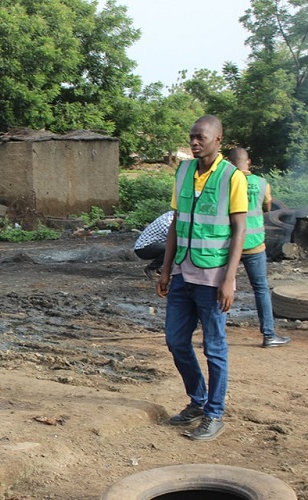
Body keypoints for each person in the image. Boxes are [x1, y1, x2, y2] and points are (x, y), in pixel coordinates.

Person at [156, 115, 248, 442]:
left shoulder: (231, 177)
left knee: (214, 348)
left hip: (213, 277)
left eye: (201, 138)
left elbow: (239, 231)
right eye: (192, 137)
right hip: (182, 272)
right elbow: (175, 223)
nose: (195, 142)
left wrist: (229, 279)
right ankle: (197, 400)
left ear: (218, 140)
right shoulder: (182, 172)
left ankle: (214, 413)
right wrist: (166, 269)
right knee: (176, 341)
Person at [227, 148, 290, 348]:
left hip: (228, 245)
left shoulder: (223, 182)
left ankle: (213, 334)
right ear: (249, 162)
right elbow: (267, 208)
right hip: (255, 245)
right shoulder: (262, 183)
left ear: (229, 163)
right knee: (261, 289)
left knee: (221, 288)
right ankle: (269, 335)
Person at [135, 211, 174, 279]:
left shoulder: (171, 215)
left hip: (148, 246)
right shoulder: (167, 222)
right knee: (170, 249)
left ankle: (160, 270)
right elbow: (175, 238)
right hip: (143, 248)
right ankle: (151, 269)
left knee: (171, 248)